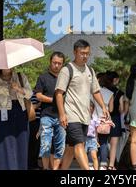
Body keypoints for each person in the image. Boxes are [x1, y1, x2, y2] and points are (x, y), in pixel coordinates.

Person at [54, 39, 110, 170]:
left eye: (87, 53)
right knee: (79, 144)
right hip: (71, 115)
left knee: (70, 148)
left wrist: (103, 107)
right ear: (75, 52)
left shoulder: (90, 70)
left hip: (85, 116)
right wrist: (62, 114)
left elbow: (95, 91)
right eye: (82, 53)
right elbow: (58, 94)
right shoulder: (67, 70)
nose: (85, 56)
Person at [0, 68, 32, 170]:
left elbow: (30, 94)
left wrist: (19, 89)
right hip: (4, 114)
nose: (6, 66)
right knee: (5, 144)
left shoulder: (21, 76)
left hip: (20, 112)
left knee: (22, 143)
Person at [35, 51, 67, 170]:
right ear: (50, 62)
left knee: (60, 146)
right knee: (45, 145)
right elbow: (38, 95)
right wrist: (54, 100)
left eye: (59, 63)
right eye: (55, 63)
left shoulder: (66, 79)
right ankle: (46, 168)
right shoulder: (43, 77)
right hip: (46, 115)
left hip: (61, 116)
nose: (57, 65)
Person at [106, 71, 128, 170]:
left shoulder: (102, 90)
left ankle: (101, 162)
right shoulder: (119, 93)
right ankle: (111, 165)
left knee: (102, 142)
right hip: (115, 119)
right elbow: (121, 109)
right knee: (114, 144)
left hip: (104, 118)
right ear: (115, 80)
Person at [93, 73, 114, 170]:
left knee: (92, 142)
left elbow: (90, 107)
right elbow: (111, 109)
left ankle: (91, 164)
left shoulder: (93, 92)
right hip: (104, 121)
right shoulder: (110, 93)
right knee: (104, 143)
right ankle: (103, 164)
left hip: (94, 119)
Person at [28, 91, 42, 170]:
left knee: (37, 144)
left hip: (41, 122)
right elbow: (31, 107)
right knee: (32, 143)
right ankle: (30, 164)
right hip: (33, 122)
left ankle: (35, 163)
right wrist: (40, 103)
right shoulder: (31, 95)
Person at [85, 102, 100, 170]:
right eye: (89, 106)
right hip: (84, 139)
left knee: (94, 156)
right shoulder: (83, 117)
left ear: (93, 109)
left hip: (92, 139)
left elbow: (96, 130)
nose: (90, 108)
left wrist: (97, 140)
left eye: (91, 107)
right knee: (84, 156)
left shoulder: (95, 118)